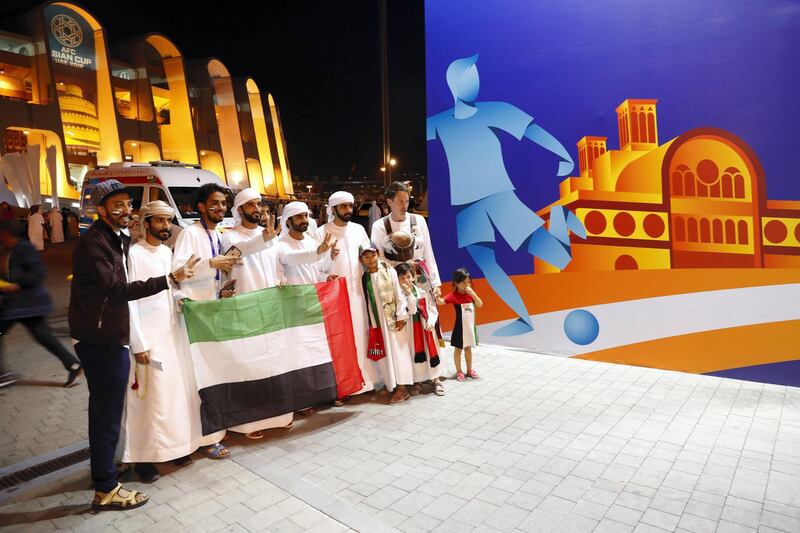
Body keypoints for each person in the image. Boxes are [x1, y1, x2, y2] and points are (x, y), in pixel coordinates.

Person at [427, 54, 586, 336]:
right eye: (469, 74)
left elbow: (533, 132)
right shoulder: (440, 122)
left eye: (475, 74)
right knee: (487, 264)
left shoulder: (495, 110)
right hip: (466, 205)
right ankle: (524, 318)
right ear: (455, 83)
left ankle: (561, 217)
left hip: (499, 196)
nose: (475, 80)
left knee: (556, 257)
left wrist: (563, 156)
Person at [68, 179, 197, 512]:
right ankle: (107, 486)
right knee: (107, 414)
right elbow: (117, 289)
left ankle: (108, 473)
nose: (125, 210)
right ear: (101, 210)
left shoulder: (114, 239)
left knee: (110, 412)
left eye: (128, 204)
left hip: (111, 336)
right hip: (101, 339)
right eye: (118, 205)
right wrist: (169, 280)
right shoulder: (94, 243)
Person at [171, 183, 272, 457]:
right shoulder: (190, 234)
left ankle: (216, 431)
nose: (220, 208)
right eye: (214, 203)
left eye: (223, 203)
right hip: (196, 311)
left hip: (214, 310)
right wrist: (209, 265)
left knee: (214, 373)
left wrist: (266, 237)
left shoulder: (218, 234)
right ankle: (206, 439)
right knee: (200, 376)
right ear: (200, 206)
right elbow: (177, 273)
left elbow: (240, 251)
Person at [123, 201, 211, 482]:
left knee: (171, 395)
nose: (164, 227)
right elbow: (130, 301)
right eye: (158, 221)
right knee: (148, 399)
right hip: (148, 337)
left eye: (167, 221)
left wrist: (180, 299)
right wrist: (138, 343)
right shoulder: (135, 254)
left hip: (171, 332)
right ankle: (143, 458)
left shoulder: (166, 252)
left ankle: (172, 448)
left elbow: (172, 288)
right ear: (145, 222)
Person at [219, 188, 292, 438]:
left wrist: (280, 278)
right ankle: (248, 423)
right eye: (251, 205)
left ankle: (278, 416)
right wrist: (265, 238)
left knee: (272, 360)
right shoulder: (229, 237)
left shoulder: (269, 239)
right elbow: (241, 251)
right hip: (245, 308)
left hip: (270, 307)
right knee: (248, 364)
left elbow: (277, 266)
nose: (257, 209)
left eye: (259, 204)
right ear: (239, 210)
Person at [0, 220, 82, 388]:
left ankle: (3, 375)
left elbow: (39, 272)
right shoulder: (7, 250)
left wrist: (16, 283)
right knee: (44, 337)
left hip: (27, 303)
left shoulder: (23, 248)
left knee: (44, 337)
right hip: (20, 305)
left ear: (8, 234)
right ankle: (73, 364)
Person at [314, 191, 372, 401]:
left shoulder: (358, 229)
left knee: (360, 334)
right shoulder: (322, 232)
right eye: (344, 206)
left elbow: (367, 256)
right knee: (340, 340)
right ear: (333, 209)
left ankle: (365, 380)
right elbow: (314, 266)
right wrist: (328, 261)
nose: (349, 210)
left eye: (350, 206)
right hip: (335, 297)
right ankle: (341, 386)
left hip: (357, 293)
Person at [359, 242, 412, 403]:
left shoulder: (389, 271)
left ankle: (402, 388)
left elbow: (399, 294)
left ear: (378, 254)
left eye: (372, 255)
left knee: (398, 352)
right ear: (362, 260)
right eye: (366, 257)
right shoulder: (365, 276)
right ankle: (390, 384)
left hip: (393, 319)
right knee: (385, 354)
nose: (370, 259)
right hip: (377, 321)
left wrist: (402, 316)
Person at [395, 262, 444, 396]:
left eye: (408, 276)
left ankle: (436, 379)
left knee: (431, 352)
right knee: (414, 353)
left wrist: (431, 321)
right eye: (402, 278)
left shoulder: (422, 292)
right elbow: (411, 310)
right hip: (411, 330)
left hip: (426, 328)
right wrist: (409, 294)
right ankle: (418, 381)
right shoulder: (399, 296)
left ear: (413, 277)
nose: (406, 281)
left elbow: (432, 309)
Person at [275, 201, 337, 286]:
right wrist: (316, 252)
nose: (304, 220)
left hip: (313, 295)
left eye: (306, 215)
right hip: (294, 297)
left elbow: (316, 270)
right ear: (288, 221)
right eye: (299, 217)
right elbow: (291, 258)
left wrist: (325, 277)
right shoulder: (280, 244)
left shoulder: (311, 241)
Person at [437, 267, 483, 382]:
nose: (467, 285)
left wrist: (473, 294)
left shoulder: (470, 294)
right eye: (463, 283)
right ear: (456, 283)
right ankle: (459, 371)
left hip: (470, 327)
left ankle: (469, 370)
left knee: (468, 349)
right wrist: (436, 294)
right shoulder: (453, 296)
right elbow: (441, 302)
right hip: (459, 327)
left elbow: (480, 304)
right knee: (458, 349)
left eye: (468, 282)